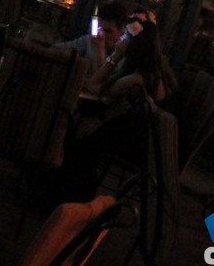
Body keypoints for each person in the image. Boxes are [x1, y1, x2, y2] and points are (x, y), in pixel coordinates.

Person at [57, 19, 177, 202]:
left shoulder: (136, 80)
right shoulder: (157, 74)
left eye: (126, 37)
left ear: (133, 45)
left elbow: (92, 86)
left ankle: (68, 191)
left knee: (77, 128)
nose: (121, 39)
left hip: (135, 145)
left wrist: (117, 55)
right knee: (83, 120)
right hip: (148, 141)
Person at [54, 0, 129, 72]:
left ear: (122, 31)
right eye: (100, 29)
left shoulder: (123, 54)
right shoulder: (90, 40)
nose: (102, 34)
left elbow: (102, 78)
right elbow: (57, 47)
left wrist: (100, 48)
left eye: (108, 31)